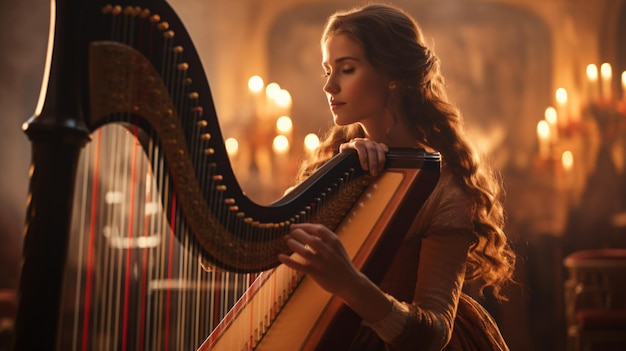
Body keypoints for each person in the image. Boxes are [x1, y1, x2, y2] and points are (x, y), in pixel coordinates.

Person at [277, 3, 516, 350]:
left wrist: (351, 285)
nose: (329, 85)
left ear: (393, 76)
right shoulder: (335, 164)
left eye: (346, 69)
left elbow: (433, 334)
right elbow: (254, 248)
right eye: (327, 70)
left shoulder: (445, 187)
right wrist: (340, 178)